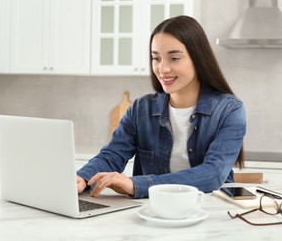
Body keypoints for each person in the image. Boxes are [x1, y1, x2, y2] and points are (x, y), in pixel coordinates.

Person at [77, 15, 246, 199]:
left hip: (212, 214)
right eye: (156, 58)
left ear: (198, 58)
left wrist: (136, 185)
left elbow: (212, 175)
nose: (162, 68)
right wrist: (82, 178)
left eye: (174, 58)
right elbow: (112, 156)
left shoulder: (230, 110)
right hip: (153, 212)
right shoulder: (140, 109)